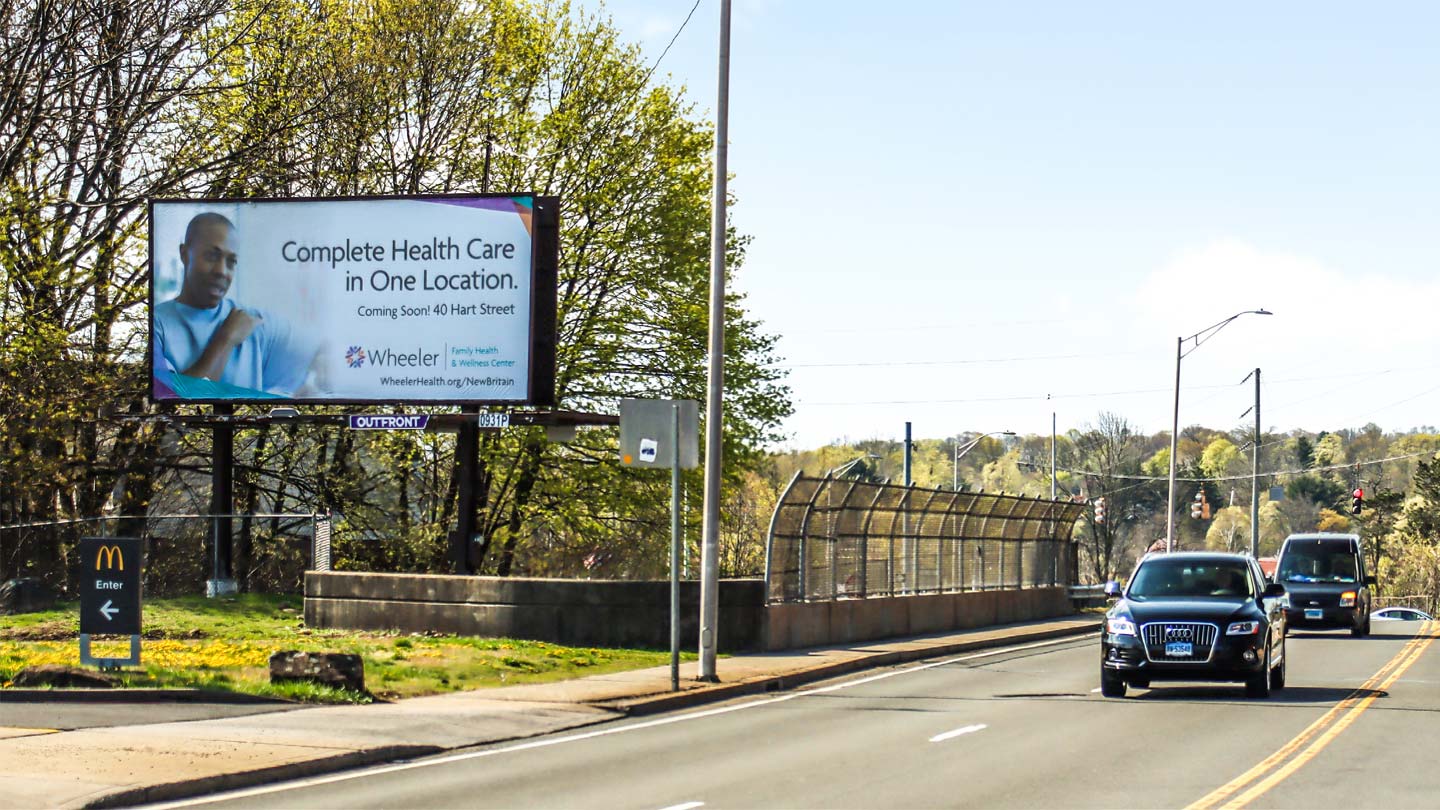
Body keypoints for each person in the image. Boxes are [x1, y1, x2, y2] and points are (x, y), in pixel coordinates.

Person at [153, 212, 320, 397]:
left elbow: (322, 353)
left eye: (231, 262)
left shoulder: (254, 321)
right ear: (184, 254)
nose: (222, 271)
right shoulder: (156, 324)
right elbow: (174, 402)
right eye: (211, 256)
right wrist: (226, 338)